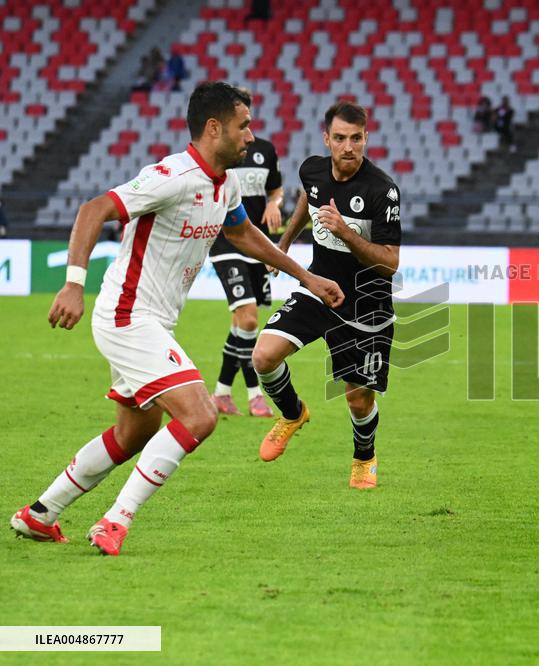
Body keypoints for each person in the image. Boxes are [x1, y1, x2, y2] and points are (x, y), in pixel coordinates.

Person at [9, 82, 344, 556]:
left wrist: (305, 277)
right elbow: (93, 209)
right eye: (244, 126)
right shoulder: (171, 176)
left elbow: (243, 234)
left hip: (151, 321)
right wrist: (73, 283)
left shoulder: (225, 183)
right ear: (214, 128)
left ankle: (40, 514)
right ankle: (115, 521)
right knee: (200, 415)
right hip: (128, 315)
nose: (251, 136)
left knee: (134, 432)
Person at [251, 101, 401, 491]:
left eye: (356, 138)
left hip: (366, 303)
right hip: (319, 288)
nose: (348, 147)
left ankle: (364, 458)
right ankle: (292, 413)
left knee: (358, 399)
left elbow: (390, 263)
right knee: (263, 356)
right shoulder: (313, 170)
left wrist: (345, 232)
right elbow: (309, 198)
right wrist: (284, 243)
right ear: (326, 139)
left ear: (366, 138)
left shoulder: (382, 191)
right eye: (340, 138)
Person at [208, 135, 284, 417]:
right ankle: (255, 396)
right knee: (249, 318)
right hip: (225, 240)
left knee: (241, 323)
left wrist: (274, 203)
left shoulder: (266, 149)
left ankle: (221, 393)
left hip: (255, 242)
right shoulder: (220, 148)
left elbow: (276, 190)